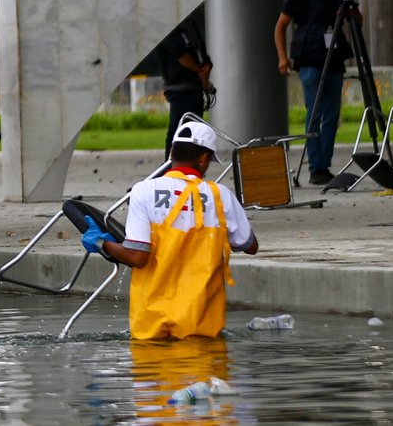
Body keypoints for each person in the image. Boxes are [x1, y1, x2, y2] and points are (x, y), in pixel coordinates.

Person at [80, 118, 259, 340]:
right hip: (201, 326)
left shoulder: (143, 191)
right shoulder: (220, 195)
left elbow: (137, 257)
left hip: (150, 327)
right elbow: (250, 245)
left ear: (172, 152)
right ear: (204, 159)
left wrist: (101, 243)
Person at [273, 0, 355, 186]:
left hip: (334, 60)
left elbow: (356, 22)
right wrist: (282, 57)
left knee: (331, 115)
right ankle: (316, 167)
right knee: (315, 113)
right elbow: (280, 25)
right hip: (310, 60)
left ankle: (323, 166)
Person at [157, 13, 212, 154]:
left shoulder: (189, 24)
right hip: (178, 86)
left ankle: (188, 165)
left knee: (193, 131)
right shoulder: (167, 23)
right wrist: (201, 70)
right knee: (178, 129)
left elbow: (200, 49)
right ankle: (170, 167)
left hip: (195, 86)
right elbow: (179, 53)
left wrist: (206, 65)